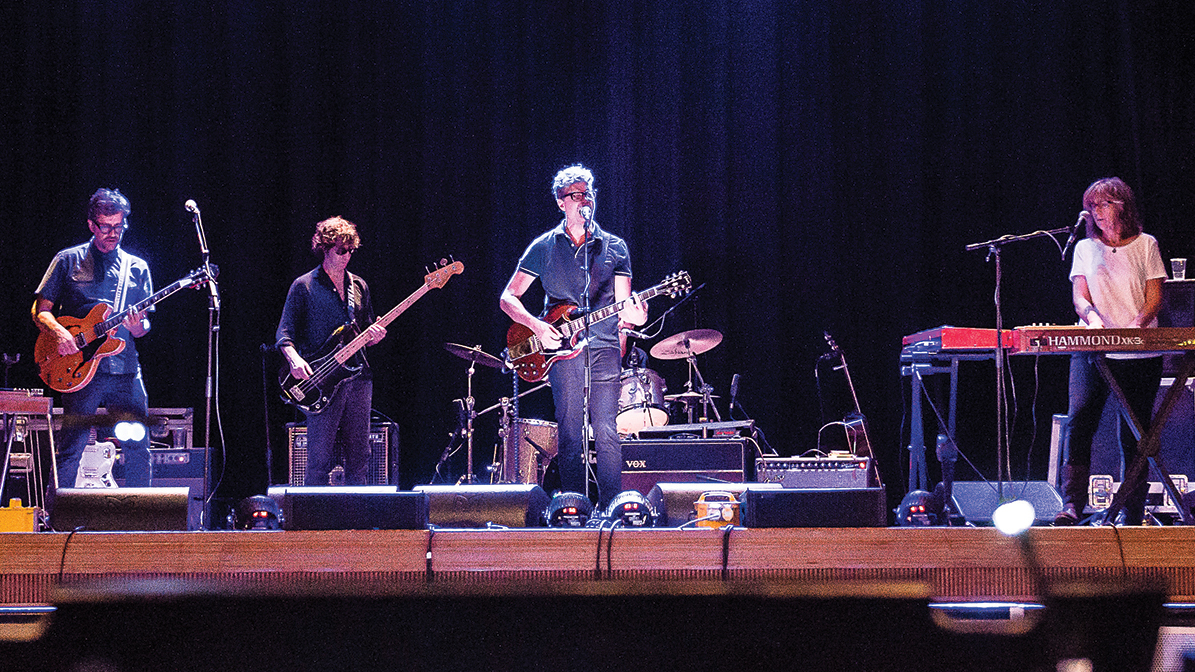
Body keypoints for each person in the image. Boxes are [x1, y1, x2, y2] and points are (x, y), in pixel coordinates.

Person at [500, 165, 647, 509]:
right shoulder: (544, 246)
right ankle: (575, 508)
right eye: (576, 194)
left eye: (588, 194)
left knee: (608, 431)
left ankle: (612, 508)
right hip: (561, 351)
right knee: (569, 433)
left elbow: (625, 305)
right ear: (560, 202)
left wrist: (636, 317)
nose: (584, 200)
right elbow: (508, 297)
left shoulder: (614, 247)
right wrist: (537, 326)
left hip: (605, 347)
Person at [1054, 177, 1167, 525]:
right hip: (1093, 349)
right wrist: (1090, 316)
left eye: (1103, 204)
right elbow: (1080, 296)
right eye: (1092, 206)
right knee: (1080, 421)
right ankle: (1071, 505)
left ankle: (1131, 510)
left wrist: (1136, 328)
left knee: (1133, 433)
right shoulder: (1085, 249)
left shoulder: (1146, 245)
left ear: (1122, 205)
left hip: (1140, 354)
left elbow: (1154, 298)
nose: (1096, 212)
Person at [32, 188, 154, 489]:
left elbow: (145, 326)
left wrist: (138, 326)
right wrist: (60, 332)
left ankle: (144, 526)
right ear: (91, 225)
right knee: (71, 448)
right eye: (106, 226)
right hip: (78, 369)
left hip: (125, 370)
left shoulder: (136, 267)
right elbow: (41, 310)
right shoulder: (68, 259)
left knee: (138, 447)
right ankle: (56, 523)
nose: (113, 233)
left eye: (119, 226)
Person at [277, 216, 386, 486]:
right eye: (340, 250)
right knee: (319, 459)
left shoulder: (359, 286)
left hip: (358, 379)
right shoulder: (304, 285)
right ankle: (313, 523)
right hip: (320, 380)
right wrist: (295, 360)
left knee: (360, 455)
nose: (347, 256)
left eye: (351, 250)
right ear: (324, 247)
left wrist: (375, 336)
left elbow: (366, 330)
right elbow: (284, 334)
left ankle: (356, 521)